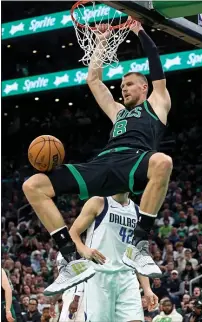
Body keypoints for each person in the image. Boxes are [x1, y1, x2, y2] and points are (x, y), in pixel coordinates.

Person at [22, 19, 172, 294]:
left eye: (129, 84)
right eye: (121, 85)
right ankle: (69, 260)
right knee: (33, 185)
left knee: (163, 161)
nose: (123, 88)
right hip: (102, 164)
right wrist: (102, 41)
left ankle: (138, 246)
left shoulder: (157, 103)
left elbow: (156, 65)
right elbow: (93, 79)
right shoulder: (117, 112)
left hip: (134, 161)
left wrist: (138, 30)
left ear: (144, 88)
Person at [52, 193, 159, 321]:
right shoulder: (98, 203)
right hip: (99, 276)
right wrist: (84, 250)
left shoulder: (137, 211)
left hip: (127, 277)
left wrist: (147, 289)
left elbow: (138, 252)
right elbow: (72, 234)